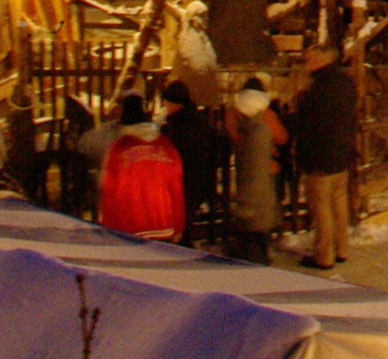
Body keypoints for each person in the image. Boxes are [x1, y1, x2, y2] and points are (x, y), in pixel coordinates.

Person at [285, 45, 358, 269]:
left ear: (322, 59)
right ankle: (342, 248)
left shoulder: (318, 88)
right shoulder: (345, 82)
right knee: (339, 203)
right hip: (341, 154)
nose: (306, 61)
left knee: (321, 208)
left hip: (320, 157)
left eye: (310, 58)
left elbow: (310, 124)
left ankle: (323, 255)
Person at [96, 94, 186, 241]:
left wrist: (108, 228)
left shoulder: (119, 148)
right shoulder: (166, 146)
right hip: (164, 227)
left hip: (129, 230)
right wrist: (178, 226)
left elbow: (108, 190)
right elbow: (176, 188)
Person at [225, 79, 288, 261]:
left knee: (248, 207)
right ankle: (262, 247)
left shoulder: (232, 114)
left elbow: (234, 137)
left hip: (244, 167)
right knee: (264, 208)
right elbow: (282, 137)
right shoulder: (266, 116)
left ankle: (248, 246)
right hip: (268, 169)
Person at [156, 80, 226, 245]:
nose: (164, 104)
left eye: (166, 101)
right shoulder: (196, 120)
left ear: (175, 103)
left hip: (186, 180)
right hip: (198, 179)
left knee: (180, 225)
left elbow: (177, 153)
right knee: (184, 224)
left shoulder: (179, 125)